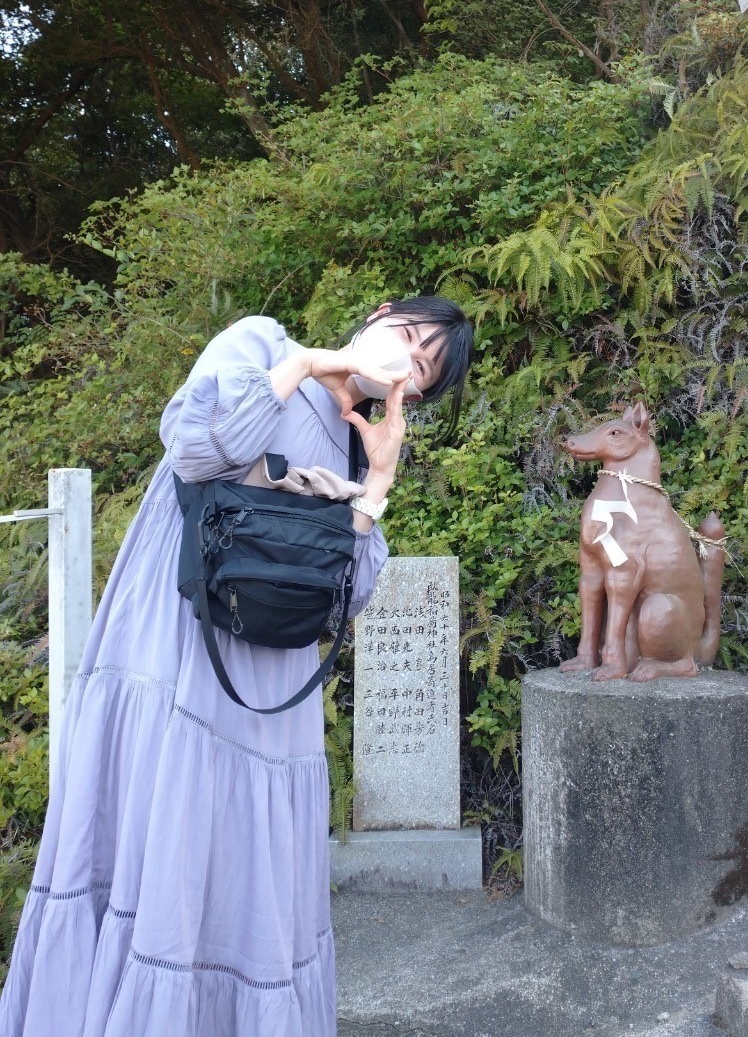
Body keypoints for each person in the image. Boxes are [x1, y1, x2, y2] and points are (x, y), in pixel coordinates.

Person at [0, 297, 473, 1037]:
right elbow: (197, 446)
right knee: (161, 840)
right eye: (408, 337)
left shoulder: (358, 444)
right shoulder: (261, 344)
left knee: (240, 874)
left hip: (268, 688)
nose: (404, 361)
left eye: (422, 368)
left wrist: (377, 482)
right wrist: (317, 364)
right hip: (172, 650)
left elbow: (346, 598)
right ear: (379, 314)